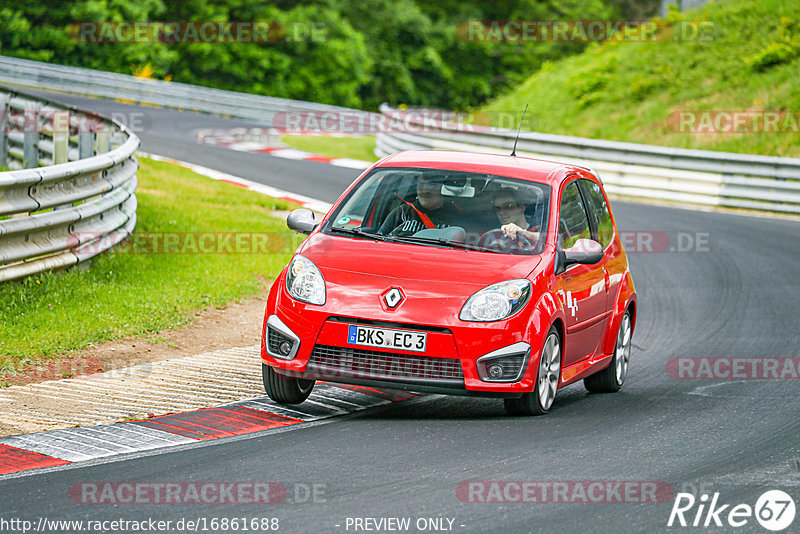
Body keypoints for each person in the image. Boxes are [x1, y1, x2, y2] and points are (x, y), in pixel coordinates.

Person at [379, 173, 459, 236]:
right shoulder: (402, 212)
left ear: (443, 189)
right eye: (421, 184)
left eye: (431, 185)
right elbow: (379, 239)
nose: (424, 190)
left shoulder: (457, 217)